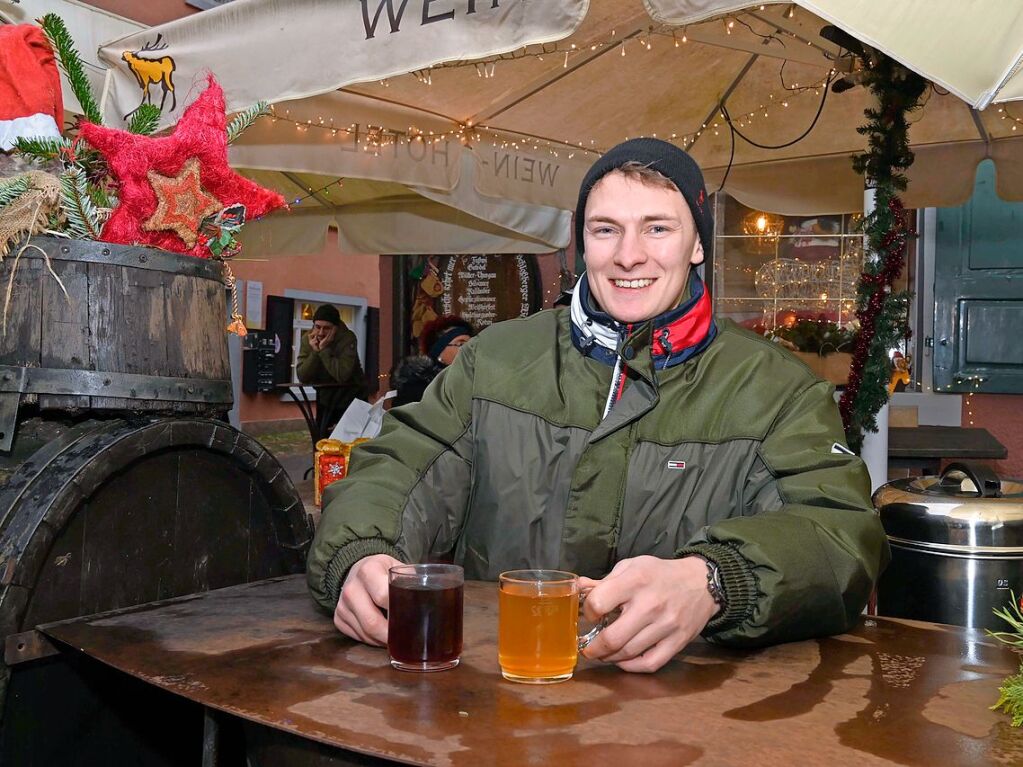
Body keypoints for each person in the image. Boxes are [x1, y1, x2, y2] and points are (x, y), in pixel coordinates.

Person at [307, 138, 888, 673]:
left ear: (697, 246)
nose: (628, 256)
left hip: (692, 720)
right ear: (581, 243)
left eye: (657, 228)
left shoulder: (775, 389)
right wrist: (359, 555)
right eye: (605, 229)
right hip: (496, 704)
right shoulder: (494, 362)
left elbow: (840, 535)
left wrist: (715, 580)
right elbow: (398, 469)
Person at [296, 304, 366, 436]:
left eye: (327, 328)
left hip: (351, 398)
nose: (321, 333)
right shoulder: (308, 339)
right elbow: (302, 375)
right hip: (325, 399)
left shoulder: (347, 338)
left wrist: (324, 350)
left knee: (350, 443)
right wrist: (315, 353)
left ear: (336, 328)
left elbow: (342, 375)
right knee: (323, 442)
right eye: (317, 327)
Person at [389, 315, 476, 407]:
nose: (469, 349)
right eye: (461, 344)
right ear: (439, 350)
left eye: (472, 345)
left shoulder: (478, 383)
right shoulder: (415, 389)